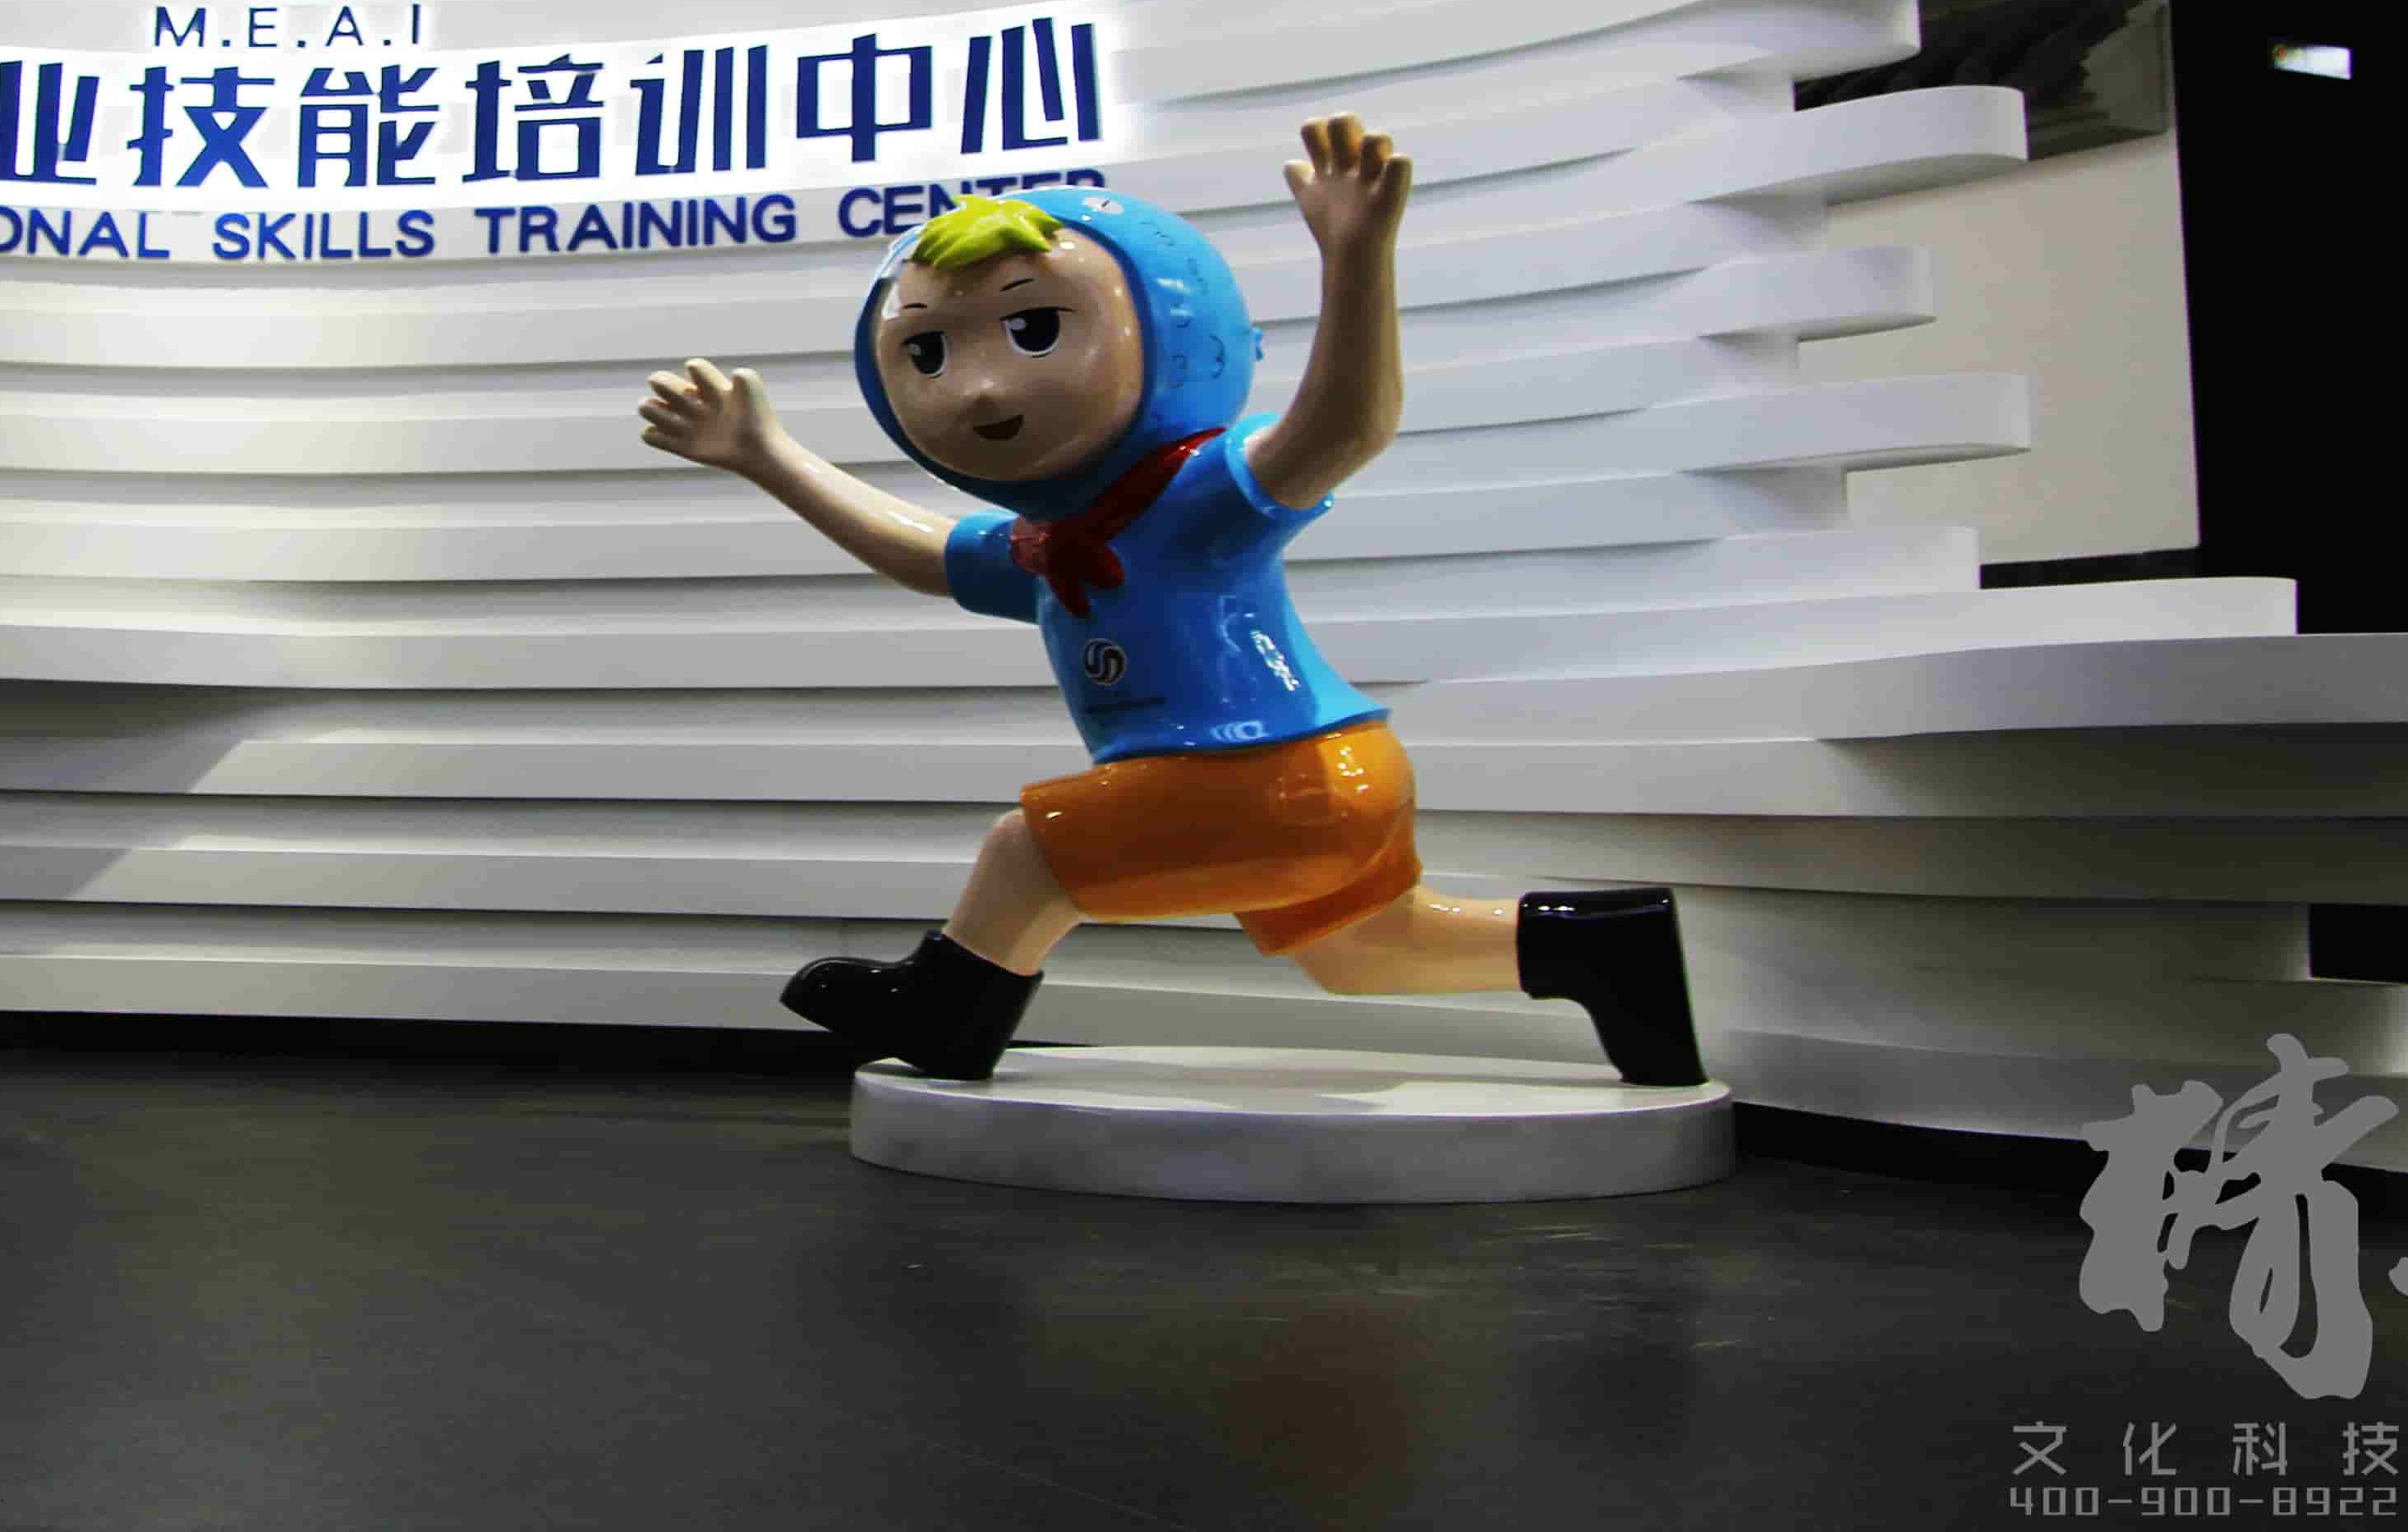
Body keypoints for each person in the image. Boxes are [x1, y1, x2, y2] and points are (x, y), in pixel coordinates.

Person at [638, 118, 1700, 1083]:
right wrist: (767, 457)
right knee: (1369, 954)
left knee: (1029, 851)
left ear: (1172, 330)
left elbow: (1345, 428)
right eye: (927, 351)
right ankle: (1606, 951)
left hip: (1271, 774)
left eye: (1035, 328)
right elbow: (919, 553)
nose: (981, 388)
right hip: (1323, 777)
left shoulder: (1198, 496)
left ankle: (948, 1015)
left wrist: (1355, 257)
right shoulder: (1048, 545)